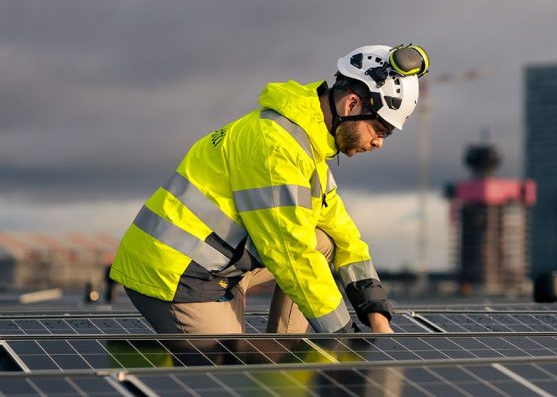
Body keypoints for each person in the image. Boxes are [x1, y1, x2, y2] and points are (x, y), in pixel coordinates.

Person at [110, 44, 429, 335]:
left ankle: (287, 352)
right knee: (232, 382)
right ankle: (276, 376)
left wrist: (376, 314)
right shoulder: (276, 149)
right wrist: (342, 337)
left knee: (324, 241)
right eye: (380, 128)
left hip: (216, 262)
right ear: (352, 104)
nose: (379, 142)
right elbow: (291, 254)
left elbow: (345, 235)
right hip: (177, 273)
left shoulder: (311, 146)